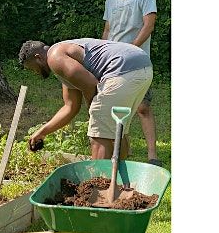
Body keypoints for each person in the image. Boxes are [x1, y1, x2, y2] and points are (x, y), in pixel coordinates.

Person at [19, 38, 152, 162]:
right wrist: (42, 132)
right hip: (142, 65)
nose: (35, 72)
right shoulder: (63, 58)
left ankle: (99, 183)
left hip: (121, 68)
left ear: (38, 58)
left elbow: (90, 84)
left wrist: (93, 113)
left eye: (33, 68)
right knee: (116, 129)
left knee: (99, 132)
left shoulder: (55, 57)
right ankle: (118, 180)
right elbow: (70, 107)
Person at [101, 0, 160, 165]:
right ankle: (118, 153)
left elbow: (149, 25)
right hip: (112, 62)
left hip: (136, 61)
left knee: (143, 107)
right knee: (113, 108)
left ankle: (152, 156)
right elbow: (108, 30)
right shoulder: (110, 0)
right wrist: (102, 54)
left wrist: (132, 47)